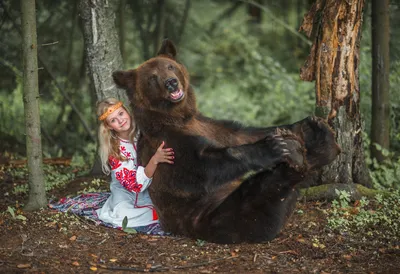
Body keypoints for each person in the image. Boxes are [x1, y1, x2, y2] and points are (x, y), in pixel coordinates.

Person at [95, 98, 174, 234]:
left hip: (150, 191)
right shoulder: (115, 151)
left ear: (126, 111)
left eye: (121, 114)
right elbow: (134, 185)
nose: (120, 120)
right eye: (113, 120)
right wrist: (154, 160)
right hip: (126, 194)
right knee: (123, 216)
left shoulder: (142, 131)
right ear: (108, 127)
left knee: (171, 204)